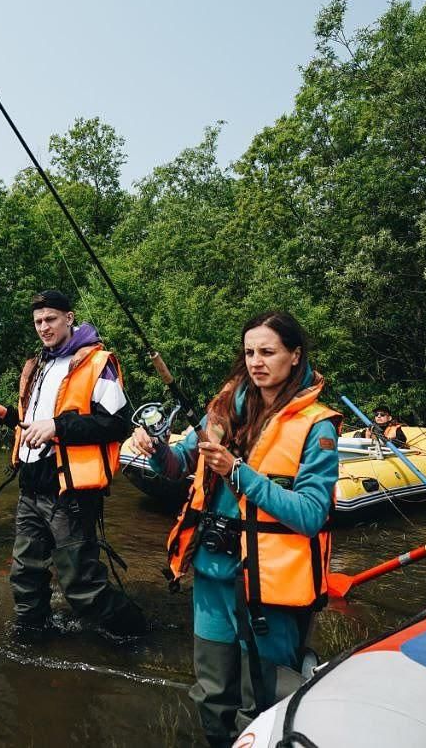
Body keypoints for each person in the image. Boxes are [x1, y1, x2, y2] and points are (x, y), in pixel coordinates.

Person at [129, 311, 340, 747]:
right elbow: (181, 463)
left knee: (259, 700)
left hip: (269, 587)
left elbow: (310, 513)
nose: (257, 361)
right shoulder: (225, 406)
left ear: (294, 355)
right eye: (249, 353)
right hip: (212, 569)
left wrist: (240, 474)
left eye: (268, 351)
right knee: (211, 693)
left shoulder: (316, 426)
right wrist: (155, 451)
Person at [0, 289, 146, 636]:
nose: (43, 327)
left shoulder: (98, 363)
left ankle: (136, 635)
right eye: (38, 321)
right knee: (24, 574)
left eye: (50, 319)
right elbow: (32, 422)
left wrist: (58, 427)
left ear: (69, 318)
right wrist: (5, 415)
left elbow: (116, 424)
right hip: (30, 486)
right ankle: (30, 635)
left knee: (82, 588)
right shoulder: (39, 365)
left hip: (69, 494)